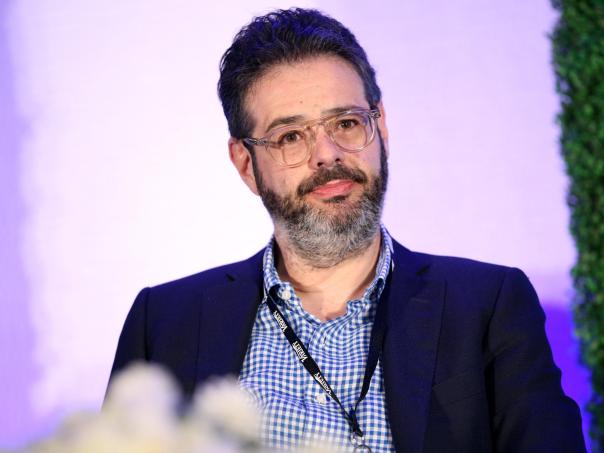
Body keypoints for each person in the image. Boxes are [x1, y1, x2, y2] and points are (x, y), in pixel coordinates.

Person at [109, 8, 586, 453]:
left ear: (381, 127)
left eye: (346, 123)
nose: (328, 155)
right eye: (290, 136)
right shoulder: (164, 323)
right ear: (246, 164)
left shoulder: (489, 306)